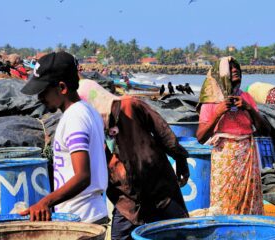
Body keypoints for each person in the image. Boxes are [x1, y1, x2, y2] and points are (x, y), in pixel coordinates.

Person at [77, 79, 190, 240]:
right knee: (119, 236)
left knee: (180, 231)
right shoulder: (91, 126)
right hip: (127, 197)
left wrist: (180, 159)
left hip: (158, 185)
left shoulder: (130, 105)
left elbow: (163, 131)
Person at [19, 52, 109, 225]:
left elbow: (83, 176)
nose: (39, 98)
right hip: (89, 214)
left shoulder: (75, 117)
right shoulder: (87, 110)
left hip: (82, 218)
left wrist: (45, 202)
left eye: (43, 91)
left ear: (62, 88)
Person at [196, 56, 269, 215]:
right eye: (230, 69)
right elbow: (200, 137)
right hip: (224, 159)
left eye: (237, 68)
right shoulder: (211, 101)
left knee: (249, 201)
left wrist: (248, 108)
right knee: (225, 201)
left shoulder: (247, 98)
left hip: (247, 156)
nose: (235, 70)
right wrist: (218, 113)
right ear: (220, 75)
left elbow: (264, 130)